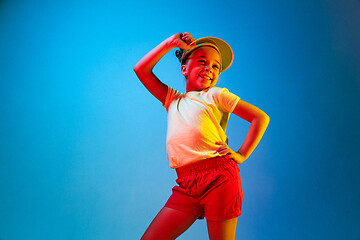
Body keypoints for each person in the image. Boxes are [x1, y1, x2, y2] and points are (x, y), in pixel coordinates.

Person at [133, 32, 270, 240]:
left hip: (219, 178)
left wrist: (241, 154)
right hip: (186, 184)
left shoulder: (216, 95)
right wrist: (170, 44)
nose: (209, 68)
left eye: (216, 66)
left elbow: (260, 118)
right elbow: (140, 69)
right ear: (184, 68)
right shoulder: (172, 100)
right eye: (202, 62)